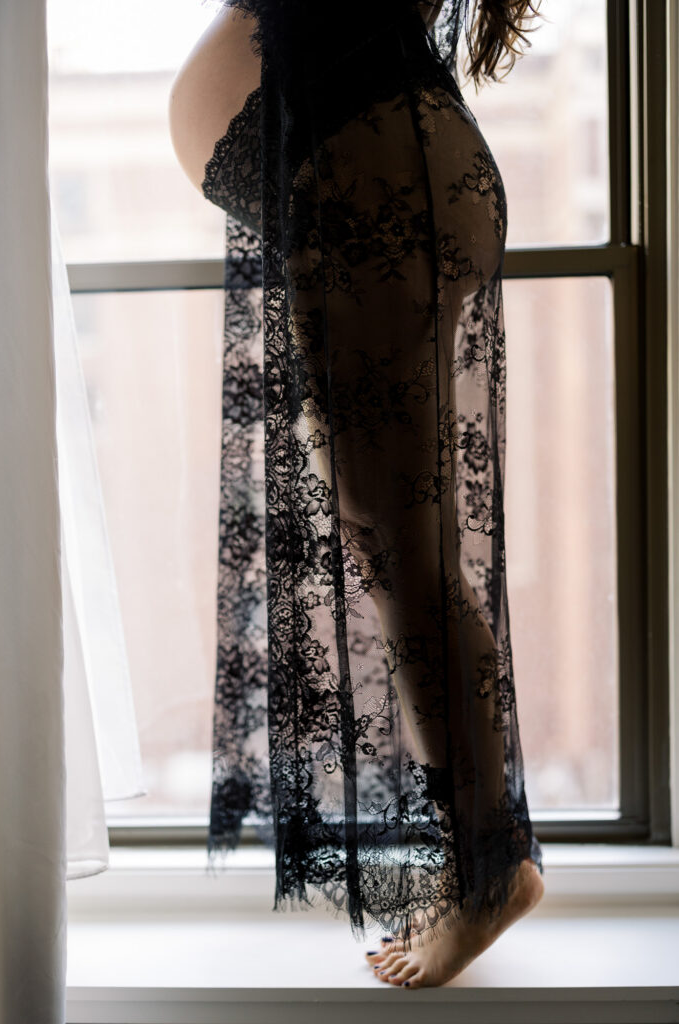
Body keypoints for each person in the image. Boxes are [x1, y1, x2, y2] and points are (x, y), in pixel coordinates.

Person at [170, 0, 545, 989]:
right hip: (373, 169)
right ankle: (485, 853)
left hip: (374, 176)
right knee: (398, 554)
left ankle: (485, 867)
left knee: (407, 561)